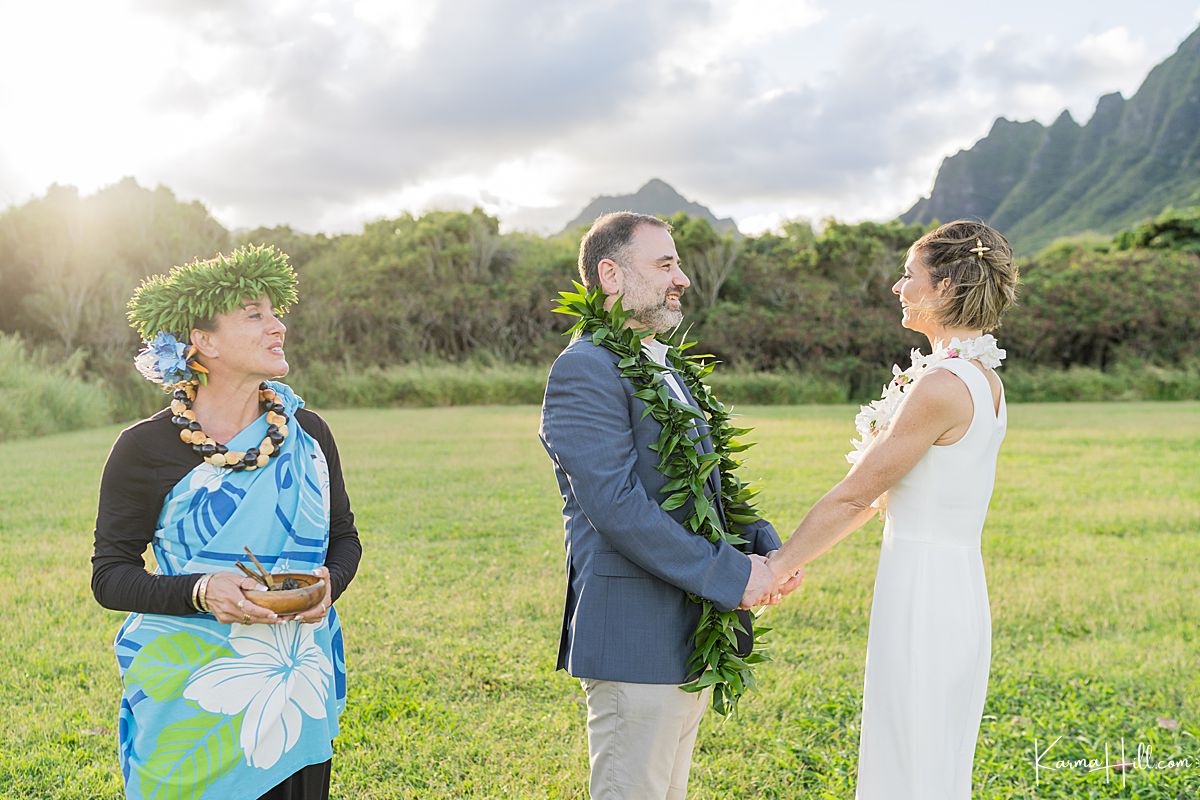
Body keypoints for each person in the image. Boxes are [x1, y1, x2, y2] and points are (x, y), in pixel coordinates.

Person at [538, 212, 803, 800]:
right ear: (610, 274)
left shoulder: (667, 366)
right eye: (665, 265)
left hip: (688, 630)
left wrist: (764, 547)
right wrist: (734, 576)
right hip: (635, 635)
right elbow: (617, 506)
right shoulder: (586, 368)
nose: (681, 278)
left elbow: (700, 490)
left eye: (677, 264)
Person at [751, 220, 1019, 799]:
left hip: (926, 588)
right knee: (929, 751)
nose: (898, 288)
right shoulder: (984, 379)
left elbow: (857, 495)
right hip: (953, 583)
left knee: (911, 750)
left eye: (908, 275)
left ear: (945, 288)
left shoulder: (942, 385)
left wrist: (775, 567)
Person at [91, 245, 362, 800]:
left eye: (275, 312)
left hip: (294, 686)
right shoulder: (143, 450)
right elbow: (110, 576)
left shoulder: (307, 432)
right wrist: (201, 590)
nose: (278, 326)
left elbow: (344, 539)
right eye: (255, 314)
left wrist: (331, 582)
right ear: (204, 342)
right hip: (188, 692)